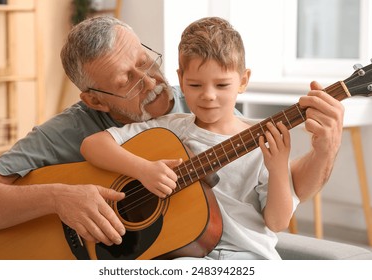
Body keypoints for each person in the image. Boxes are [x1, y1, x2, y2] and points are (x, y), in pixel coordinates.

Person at [0, 15, 344, 251]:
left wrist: (323, 151)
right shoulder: (68, 130)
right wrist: (58, 197)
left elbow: (270, 185)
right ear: (95, 101)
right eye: (126, 80)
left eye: (145, 60)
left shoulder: (202, 93)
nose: (152, 81)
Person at [81, 16, 297, 260]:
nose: (208, 96)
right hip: (188, 255)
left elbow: (277, 223)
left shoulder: (265, 141)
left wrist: (278, 168)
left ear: (243, 81)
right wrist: (143, 170)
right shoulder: (167, 130)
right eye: (195, 85)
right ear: (181, 81)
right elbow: (93, 145)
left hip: (249, 256)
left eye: (222, 85)